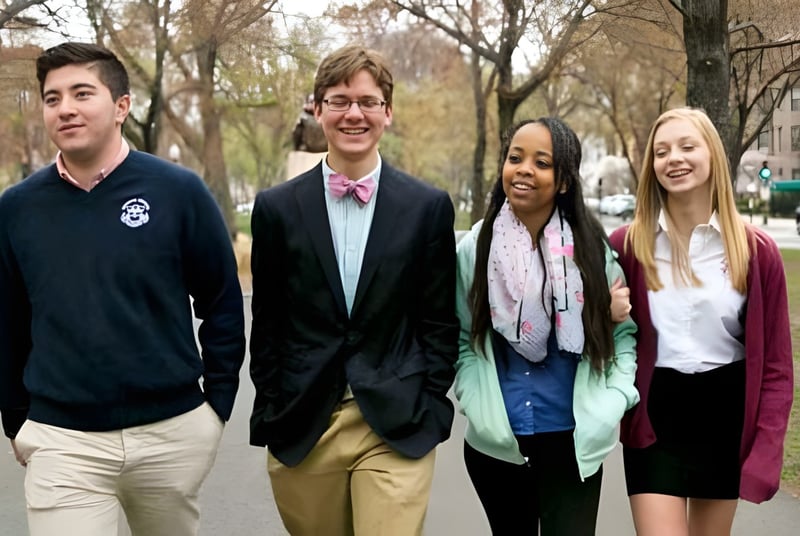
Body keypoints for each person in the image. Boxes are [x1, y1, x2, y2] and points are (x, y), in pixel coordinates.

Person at [0, 42, 246, 536]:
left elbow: (221, 301)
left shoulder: (179, 192)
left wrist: (216, 407)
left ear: (121, 106)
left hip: (170, 433)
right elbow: (8, 320)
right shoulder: (16, 208)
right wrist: (18, 419)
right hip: (62, 440)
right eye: (52, 98)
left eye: (82, 93)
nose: (65, 108)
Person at [248, 44, 459, 535]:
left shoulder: (427, 207)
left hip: (395, 422)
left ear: (387, 112)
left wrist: (429, 402)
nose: (354, 114)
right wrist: (274, 405)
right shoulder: (276, 209)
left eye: (367, 101)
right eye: (340, 101)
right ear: (318, 109)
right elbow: (269, 321)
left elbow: (438, 320)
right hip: (305, 421)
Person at [608, 107, 793, 535]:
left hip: (724, 419)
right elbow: (595, 335)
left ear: (712, 154)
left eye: (687, 146)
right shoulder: (627, 245)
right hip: (655, 419)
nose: (674, 158)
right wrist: (606, 312)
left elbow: (777, 368)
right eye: (661, 152)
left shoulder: (757, 252)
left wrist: (767, 447)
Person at [454, 117, 639, 535]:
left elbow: (624, 336)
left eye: (541, 162)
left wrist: (614, 400)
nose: (524, 170)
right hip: (498, 443)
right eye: (515, 158)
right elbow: (463, 338)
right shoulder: (475, 249)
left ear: (564, 181)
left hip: (571, 440)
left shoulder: (590, 250)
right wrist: (477, 405)